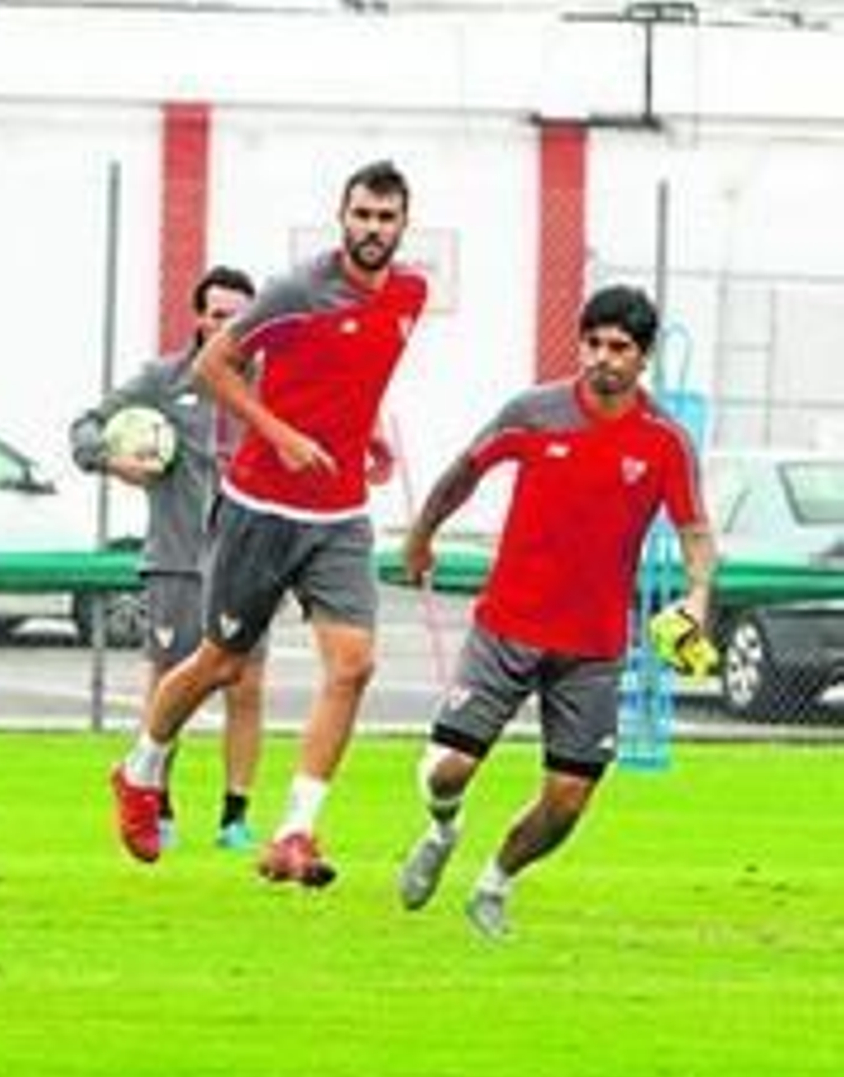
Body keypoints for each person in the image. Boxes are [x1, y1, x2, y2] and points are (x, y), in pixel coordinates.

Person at [108, 160, 427, 878]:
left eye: (385, 218)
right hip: (261, 507)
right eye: (362, 216)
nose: (372, 230)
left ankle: (295, 832)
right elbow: (212, 367)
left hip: (340, 514)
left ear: (404, 223)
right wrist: (278, 434)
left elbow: (355, 372)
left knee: (354, 665)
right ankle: (140, 769)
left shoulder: (410, 293)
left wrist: (367, 429)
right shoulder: (297, 291)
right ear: (341, 217)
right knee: (220, 664)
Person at [394, 284, 717, 938]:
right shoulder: (535, 412)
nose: (603, 358)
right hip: (507, 626)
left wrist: (699, 595)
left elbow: (695, 531)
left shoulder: (664, 442)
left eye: (619, 348)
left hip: (593, 648)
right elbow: (465, 471)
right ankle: (442, 828)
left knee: (568, 801)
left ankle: (494, 883)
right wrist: (421, 534)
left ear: (643, 356)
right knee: (450, 768)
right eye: (593, 343)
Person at [71, 265, 267, 852]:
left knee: (246, 683)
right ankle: (154, 798)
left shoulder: (271, 382)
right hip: (178, 558)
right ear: (199, 317)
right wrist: (111, 459)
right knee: (168, 680)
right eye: (217, 314)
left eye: (239, 315)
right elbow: (86, 425)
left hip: (249, 558)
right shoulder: (164, 379)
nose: (226, 324)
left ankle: (235, 817)